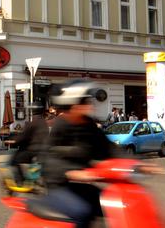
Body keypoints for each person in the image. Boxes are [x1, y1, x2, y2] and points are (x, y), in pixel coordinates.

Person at [37, 81, 115, 228]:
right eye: (85, 101)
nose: (90, 105)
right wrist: (70, 172)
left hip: (81, 186)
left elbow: (108, 147)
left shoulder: (88, 124)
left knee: (112, 204)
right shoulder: (60, 125)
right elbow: (47, 157)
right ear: (73, 105)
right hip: (59, 186)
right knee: (81, 211)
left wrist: (137, 162)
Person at [8, 104, 49, 185]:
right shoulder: (43, 121)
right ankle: (32, 178)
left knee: (14, 161)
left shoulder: (32, 121)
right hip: (43, 149)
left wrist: (14, 141)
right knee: (30, 162)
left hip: (33, 149)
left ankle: (20, 181)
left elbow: (24, 136)